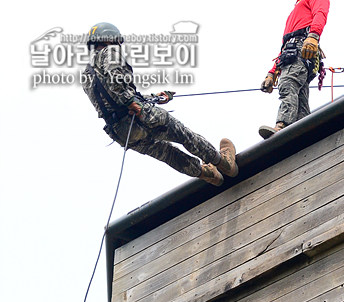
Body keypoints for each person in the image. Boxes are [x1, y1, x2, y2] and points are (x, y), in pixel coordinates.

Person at [83, 22, 238, 186]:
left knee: (168, 154)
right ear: (111, 38)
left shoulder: (87, 74)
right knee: (184, 135)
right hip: (143, 116)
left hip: (122, 131)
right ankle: (223, 163)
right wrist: (131, 103)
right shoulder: (110, 51)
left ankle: (207, 173)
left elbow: (110, 101)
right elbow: (116, 80)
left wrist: (152, 97)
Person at [259, 0, 329, 139]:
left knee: (289, 83)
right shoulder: (297, 8)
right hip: (293, 50)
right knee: (300, 96)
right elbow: (286, 46)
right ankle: (304, 133)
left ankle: (283, 125)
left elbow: (321, 13)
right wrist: (272, 73)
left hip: (301, 48)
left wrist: (313, 36)